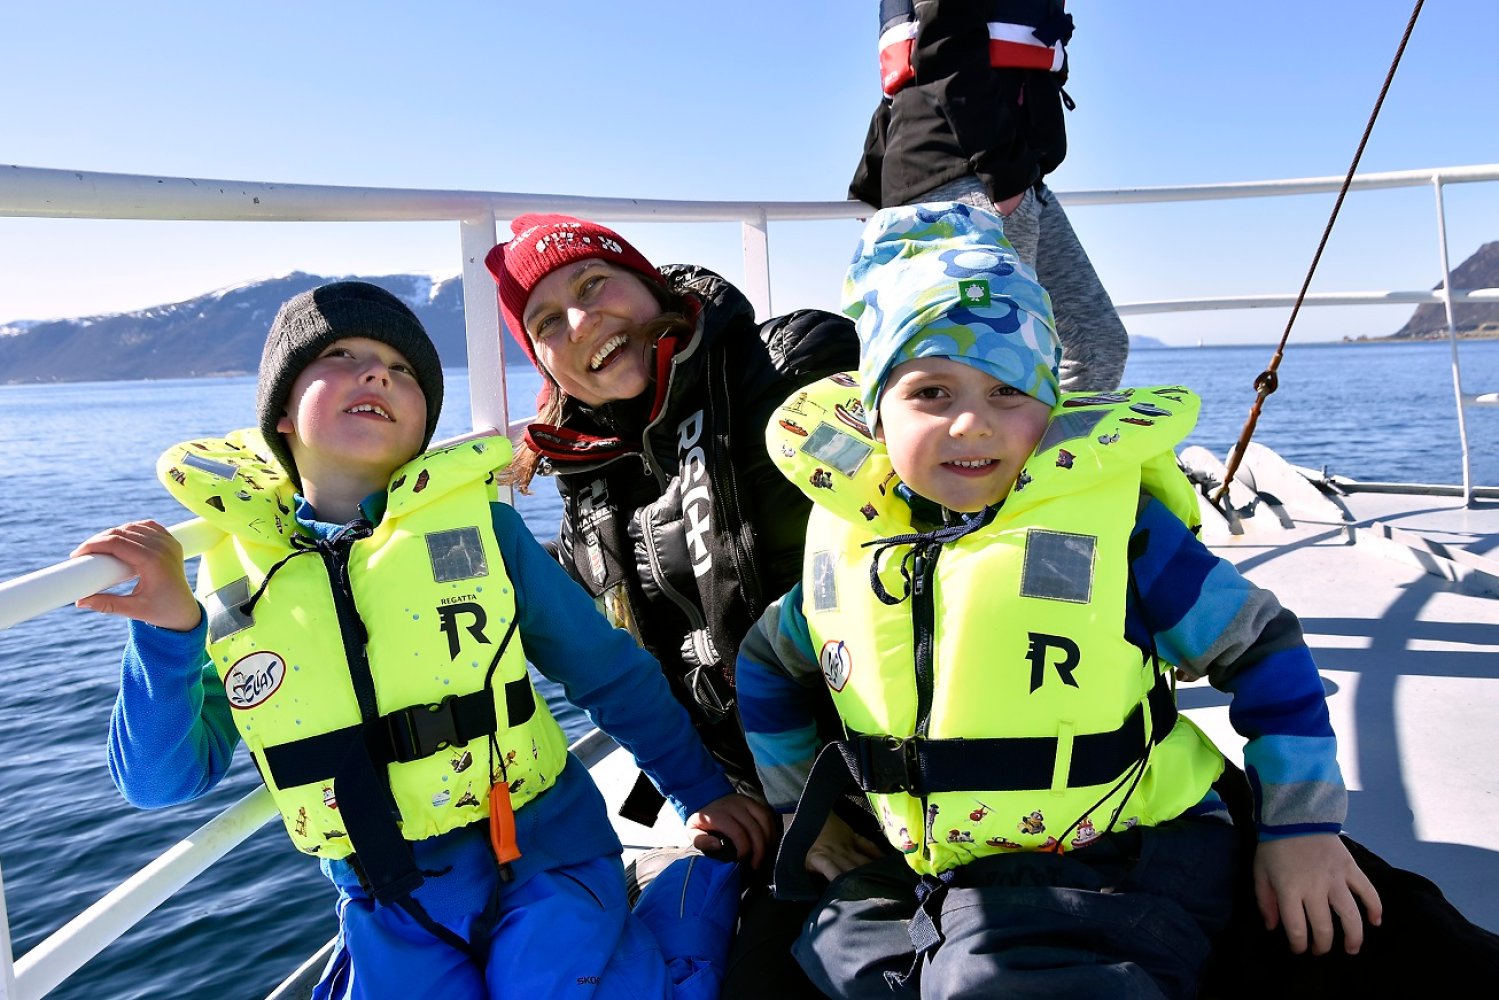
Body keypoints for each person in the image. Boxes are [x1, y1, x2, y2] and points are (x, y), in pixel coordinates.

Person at [736, 202, 1381, 998]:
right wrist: (808, 806)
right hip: (923, 865)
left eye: (1009, 392)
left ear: (1051, 406)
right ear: (874, 413)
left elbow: (1262, 647)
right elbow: (767, 660)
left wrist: (1301, 830)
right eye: (931, 391)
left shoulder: (1124, 533)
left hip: (1117, 853)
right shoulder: (853, 540)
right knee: (824, 957)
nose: (972, 422)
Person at [73, 280, 774, 1000]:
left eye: (401, 369)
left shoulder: (486, 534)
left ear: (421, 425)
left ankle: (692, 889)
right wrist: (167, 631)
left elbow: (607, 672)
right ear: (281, 412)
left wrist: (699, 794)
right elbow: (162, 784)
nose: (375, 372)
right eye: (339, 356)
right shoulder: (235, 588)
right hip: (388, 893)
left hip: (543, 852)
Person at [484, 217, 858, 998]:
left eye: (594, 286)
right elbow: (607, 655)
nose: (581, 322)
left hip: (886, 777)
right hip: (751, 811)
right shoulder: (586, 476)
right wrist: (711, 795)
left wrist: (815, 802)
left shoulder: (788, 372)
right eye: (546, 322)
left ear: (651, 285)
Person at [850, 0, 1130, 393]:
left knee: (1095, 343)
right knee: (994, 367)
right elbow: (946, 47)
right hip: (974, 178)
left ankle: (1055, 456)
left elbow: (911, 67)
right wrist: (1005, 176)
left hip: (1007, 178)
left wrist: (870, 179)